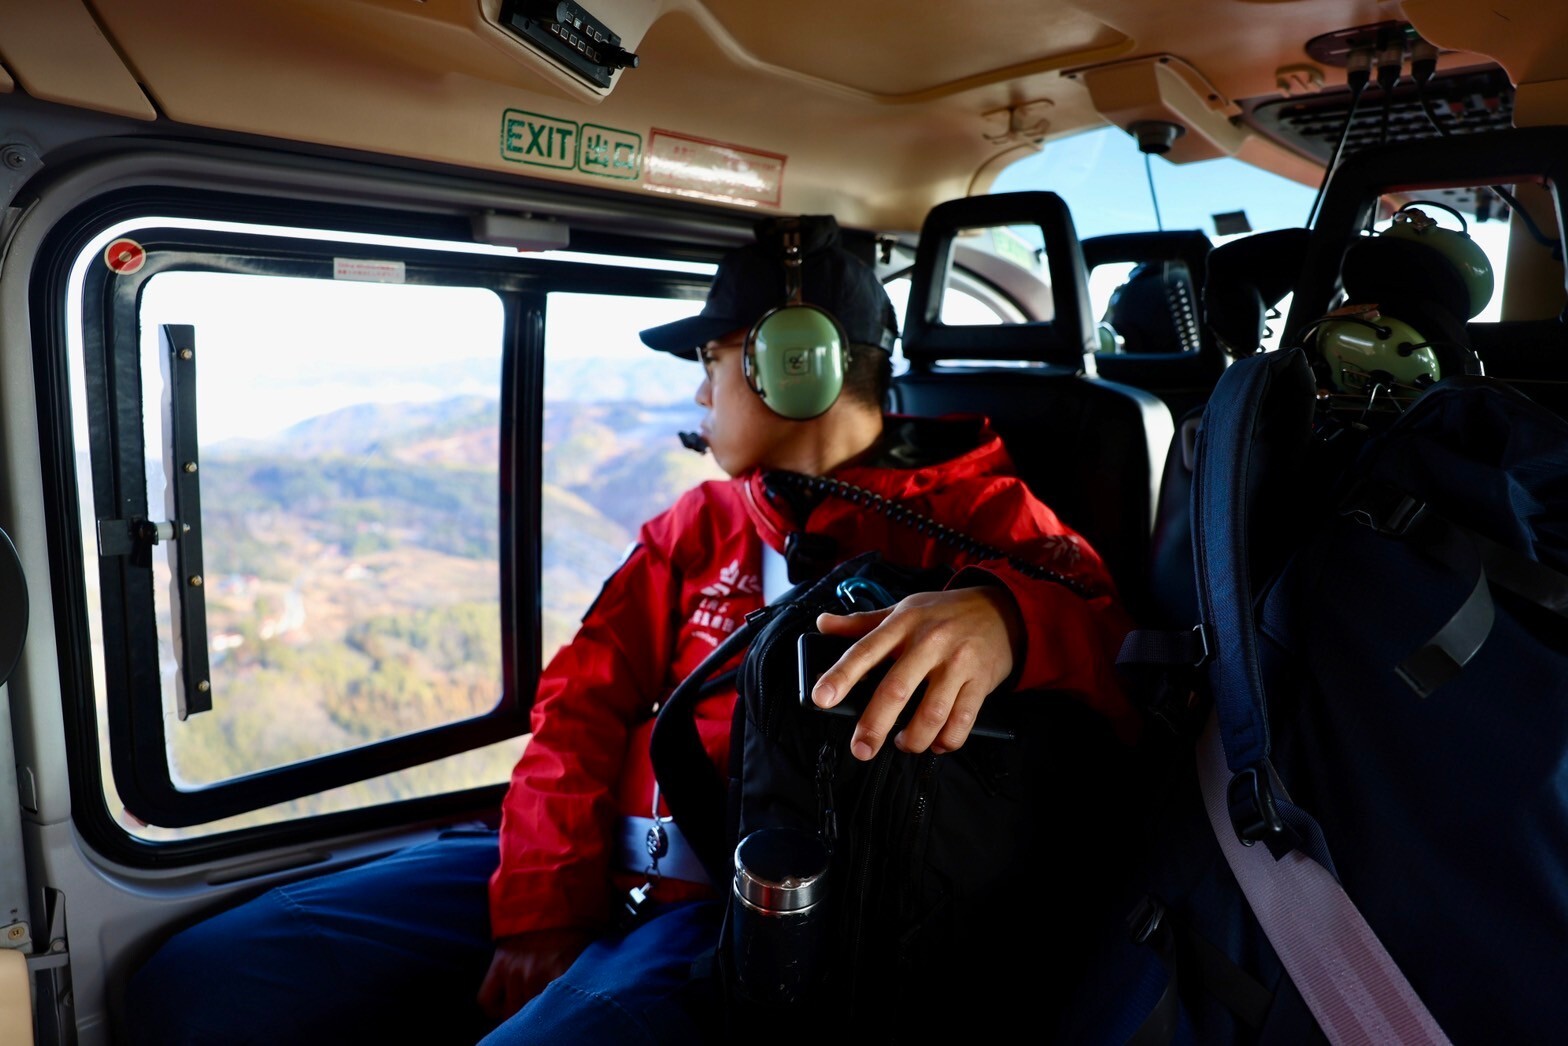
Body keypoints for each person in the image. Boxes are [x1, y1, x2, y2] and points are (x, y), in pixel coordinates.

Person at [125, 214, 1138, 1046]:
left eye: (712, 356)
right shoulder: (698, 525)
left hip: (742, 915)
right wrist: (540, 904)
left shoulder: (990, 525)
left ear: (797, 362)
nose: (699, 389)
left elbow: (1122, 653)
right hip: (580, 861)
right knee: (202, 986)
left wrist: (1008, 614)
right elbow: (576, 705)